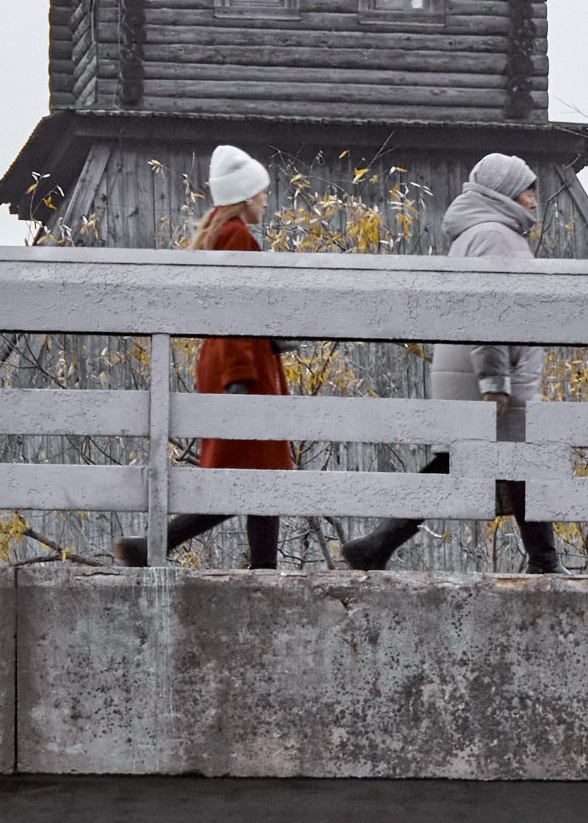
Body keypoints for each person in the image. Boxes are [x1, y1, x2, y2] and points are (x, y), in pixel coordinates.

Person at [339, 150, 560, 576]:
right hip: (490, 373)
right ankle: (544, 560)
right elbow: (492, 312)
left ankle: (377, 546)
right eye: (528, 190)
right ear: (507, 192)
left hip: (474, 369)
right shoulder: (496, 235)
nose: (534, 200)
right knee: (513, 459)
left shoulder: (475, 233)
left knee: (491, 461)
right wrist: (495, 378)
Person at [113, 143, 289, 570]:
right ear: (247, 196)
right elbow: (236, 311)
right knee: (255, 477)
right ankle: (155, 546)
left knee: (257, 476)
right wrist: (241, 378)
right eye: (262, 192)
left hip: (232, 362)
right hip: (241, 368)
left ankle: (262, 565)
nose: (266, 199)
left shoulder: (219, 233)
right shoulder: (238, 237)